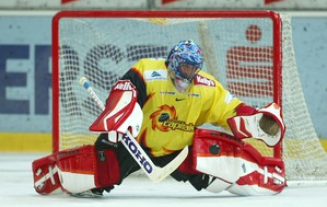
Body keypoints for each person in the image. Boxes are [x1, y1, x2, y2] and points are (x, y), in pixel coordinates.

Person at [32, 40, 286, 197]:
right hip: (136, 145)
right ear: (173, 62)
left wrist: (254, 119)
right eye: (184, 66)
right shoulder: (149, 71)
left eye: (192, 68)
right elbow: (126, 89)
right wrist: (119, 118)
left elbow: (229, 108)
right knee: (101, 172)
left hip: (177, 153)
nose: (187, 73)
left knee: (217, 174)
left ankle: (262, 174)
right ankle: (59, 174)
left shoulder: (206, 87)